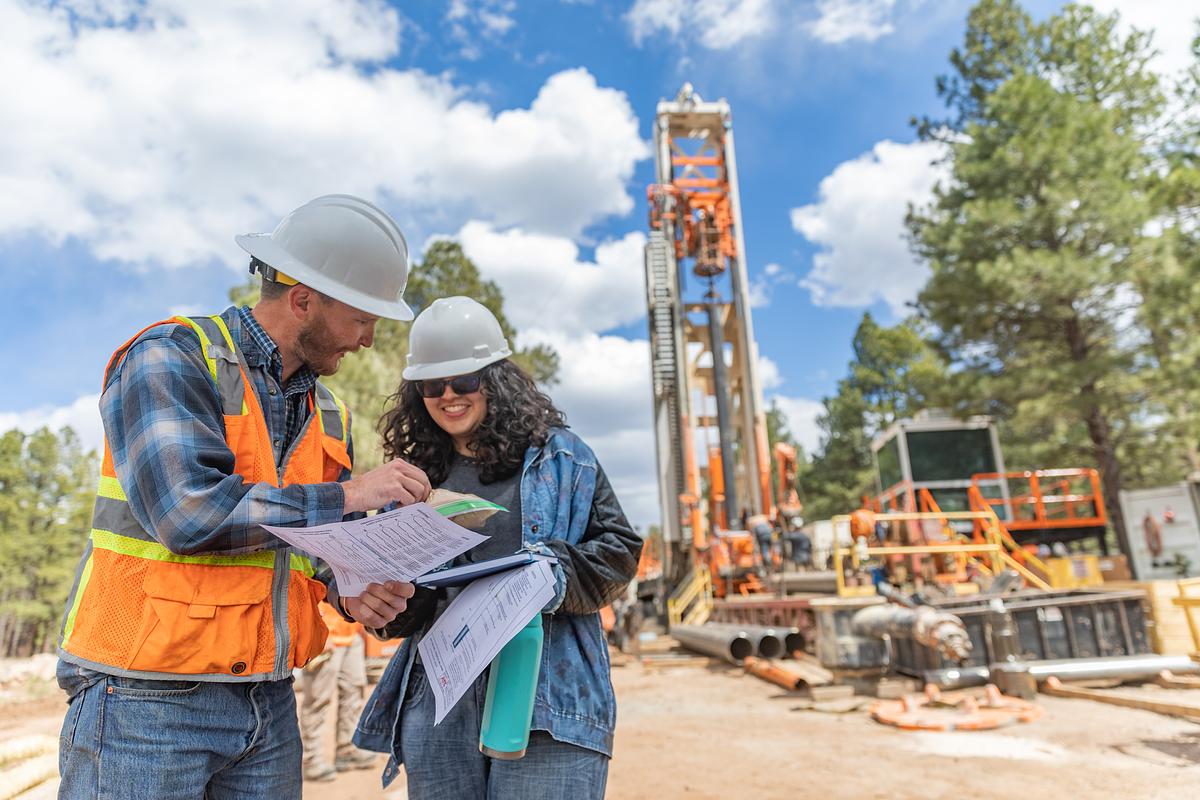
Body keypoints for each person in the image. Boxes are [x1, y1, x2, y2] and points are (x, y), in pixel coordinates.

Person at [55, 195, 431, 800]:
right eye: (364, 319)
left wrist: (349, 584)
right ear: (305, 297)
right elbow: (190, 514)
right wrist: (351, 495)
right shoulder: (173, 356)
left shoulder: (328, 412)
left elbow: (303, 541)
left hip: (267, 699)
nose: (367, 341)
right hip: (145, 699)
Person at [354, 296, 643, 799]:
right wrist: (385, 599)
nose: (448, 396)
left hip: (545, 690)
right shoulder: (414, 476)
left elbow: (618, 552)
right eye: (431, 385)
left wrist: (553, 575)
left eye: (464, 381)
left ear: (495, 379)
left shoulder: (563, 457)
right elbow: (394, 596)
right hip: (440, 698)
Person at [298, 601, 376, 782]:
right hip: (323, 634)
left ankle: (347, 749)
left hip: (350, 632)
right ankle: (312, 760)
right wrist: (313, 629)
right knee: (318, 700)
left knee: (354, 692)